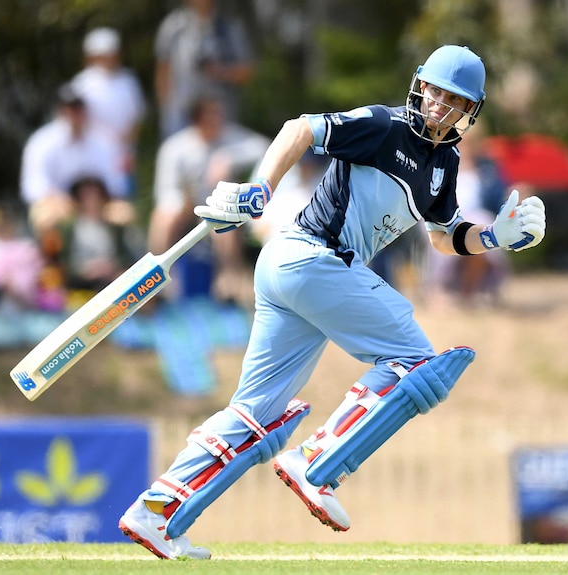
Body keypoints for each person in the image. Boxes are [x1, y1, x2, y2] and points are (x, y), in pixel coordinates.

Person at [118, 45, 546, 560]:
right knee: (415, 362)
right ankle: (317, 460)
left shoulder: (445, 162)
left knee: (258, 415)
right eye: (433, 91)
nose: (438, 105)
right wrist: (262, 187)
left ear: (469, 111)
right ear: (419, 85)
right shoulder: (385, 126)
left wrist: (496, 236)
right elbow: (301, 128)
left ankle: (158, 510)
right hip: (310, 257)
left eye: (453, 100)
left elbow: (444, 235)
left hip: (303, 272)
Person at [149, 95, 268, 302]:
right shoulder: (175, 148)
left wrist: (229, 158)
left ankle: (229, 283)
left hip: (219, 207)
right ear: (197, 120)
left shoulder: (229, 136)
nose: (218, 121)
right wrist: (183, 204)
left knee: (224, 224)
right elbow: (165, 191)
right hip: (184, 208)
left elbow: (264, 146)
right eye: (212, 117)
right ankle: (158, 281)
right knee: (165, 217)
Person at [19, 83, 128, 235]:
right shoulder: (40, 142)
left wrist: (97, 202)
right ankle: (53, 258)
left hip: (99, 203)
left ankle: (123, 256)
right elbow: (34, 188)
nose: (74, 113)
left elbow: (117, 185)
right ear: (59, 112)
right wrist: (64, 202)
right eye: (68, 108)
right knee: (45, 217)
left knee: (124, 214)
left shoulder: (104, 141)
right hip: (58, 204)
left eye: (78, 108)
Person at [430, 120, 510, 305]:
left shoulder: (488, 169)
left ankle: (468, 292)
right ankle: (439, 288)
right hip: (442, 218)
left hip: (477, 218)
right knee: (451, 228)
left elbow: (498, 199)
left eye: (469, 141)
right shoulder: (437, 163)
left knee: (481, 230)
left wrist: (513, 196)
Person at [154, 0, 253, 140]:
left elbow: (245, 72)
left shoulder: (228, 27)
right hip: (181, 115)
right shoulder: (173, 27)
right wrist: (166, 111)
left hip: (219, 116)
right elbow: (163, 71)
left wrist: (220, 72)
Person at [71, 27, 147, 194]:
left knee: (124, 198)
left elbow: (137, 117)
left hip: (124, 155)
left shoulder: (128, 80)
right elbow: (76, 120)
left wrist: (126, 145)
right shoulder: (81, 84)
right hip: (92, 155)